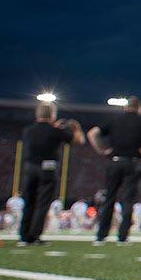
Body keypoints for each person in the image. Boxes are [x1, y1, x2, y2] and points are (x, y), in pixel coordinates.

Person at [87, 96, 141, 245]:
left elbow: (92, 133)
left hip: (114, 161)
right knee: (128, 200)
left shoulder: (114, 119)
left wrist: (101, 150)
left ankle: (101, 236)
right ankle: (122, 237)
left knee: (109, 198)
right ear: (139, 108)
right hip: (132, 162)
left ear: (125, 107)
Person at [18, 102, 84, 246]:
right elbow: (78, 140)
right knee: (43, 203)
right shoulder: (56, 132)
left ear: (37, 114)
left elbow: (41, 136)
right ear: (53, 115)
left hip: (30, 168)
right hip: (47, 168)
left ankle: (24, 235)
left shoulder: (28, 130)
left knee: (29, 202)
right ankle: (35, 234)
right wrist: (75, 128)